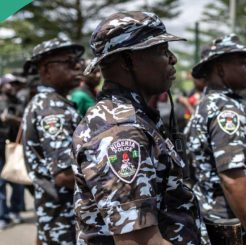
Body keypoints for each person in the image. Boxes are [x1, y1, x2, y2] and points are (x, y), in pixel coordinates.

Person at [72, 11, 203, 245]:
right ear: (127, 61)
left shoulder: (135, 115)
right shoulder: (118, 130)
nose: (172, 59)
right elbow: (138, 241)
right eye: (162, 51)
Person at [185, 34, 246, 245]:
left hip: (218, 217)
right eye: (242, 62)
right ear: (220, 68)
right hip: (233, 224)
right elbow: (231, 176)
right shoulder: (226, 111)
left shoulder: (206, 104)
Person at [22, 38, 84, 244]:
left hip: (56, 215)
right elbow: (64, 175)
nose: (78, 65)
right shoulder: (53, 110)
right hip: (64, 219)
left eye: (78, 60)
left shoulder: (51, 102)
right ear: (45, 70)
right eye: (68, 61)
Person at [0, 74, 27, 229]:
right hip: (0, 148)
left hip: (15, 147)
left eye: (13, 84)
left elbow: (22, 119)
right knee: (1, 184)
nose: (11, 87)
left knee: (17, 181)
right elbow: (4, 118)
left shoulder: (18, 101)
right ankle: (3, 216)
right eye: (8, 84)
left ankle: (16, 210)